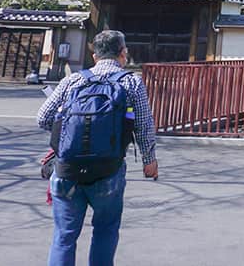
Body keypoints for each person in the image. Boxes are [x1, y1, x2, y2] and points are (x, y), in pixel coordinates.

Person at [37, 30, 158, 266]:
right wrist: (149, 160)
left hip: (67, 170)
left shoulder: (73, 80)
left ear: (95, 56)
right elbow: (143, 126)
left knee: (64, 237)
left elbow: (43, 118)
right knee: (105, 230)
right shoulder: (131, 81)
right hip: (108, 170)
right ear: (123, 54)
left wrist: (67, 135)